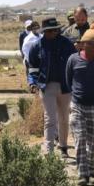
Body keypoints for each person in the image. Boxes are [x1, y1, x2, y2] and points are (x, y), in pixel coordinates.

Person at [66, 23, 94, 186]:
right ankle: (82, 174)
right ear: (82, 43)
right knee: (80, 139)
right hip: (77, 105)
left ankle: (91, 172)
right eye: (88, 43)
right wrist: (74, 98)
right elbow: (68, 80)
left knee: (92, 142)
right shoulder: (73, 59)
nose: (91, 46)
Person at [27, 18, 76, 156]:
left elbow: (74, 63)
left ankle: (64, 147)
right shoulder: (37, 46)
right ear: (44, 31)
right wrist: (32, 82)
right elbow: (33, 68)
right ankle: (49, 151)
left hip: (65, 86)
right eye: (49, 31)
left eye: (54, 30)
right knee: (50, 119)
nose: (52, 33)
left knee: (64, 118)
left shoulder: (67, 44)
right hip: (46, 86)